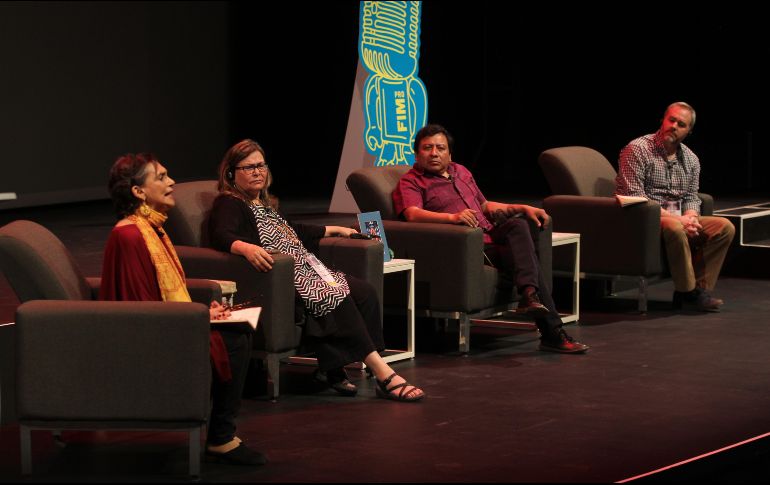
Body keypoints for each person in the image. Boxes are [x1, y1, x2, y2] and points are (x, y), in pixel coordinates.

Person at [208, 139, 425, 402]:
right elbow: (221, 234)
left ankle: (334, 368)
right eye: (248, 167)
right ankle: (384, 374)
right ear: (231, 173)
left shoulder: (263, 203)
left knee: (364, 292)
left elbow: (295, 231)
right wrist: (246, 248)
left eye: (261, 165)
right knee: (334, 295)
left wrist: (336, 230)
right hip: (280, 277)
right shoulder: (230, 203)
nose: (257, 172)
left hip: (307, 268)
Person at [99, 153, 267, 466]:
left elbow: (161, 294)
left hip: (168, 321)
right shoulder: (130, 235)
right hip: (146, 334)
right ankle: (221, 438)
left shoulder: (151, 227)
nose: (172, 182)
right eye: (161, 177)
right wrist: (199, 317)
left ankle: (222, 435)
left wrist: (203, 311)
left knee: (239, 327)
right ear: (138, 191)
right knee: (233, 340)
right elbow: (140, 307)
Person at [393, 124, 588, 354]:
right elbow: (412, 214)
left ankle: (531, 296)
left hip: (491, 233)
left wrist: (522, 207)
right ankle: (550, 328)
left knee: (518, 224)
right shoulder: (411, 181)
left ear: (450, 154)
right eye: (427, 148)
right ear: (417, 154)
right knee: (530, 264)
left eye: (440, 148)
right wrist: (452, 218)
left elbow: (484, 206)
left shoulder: (461, 171)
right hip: (467, 245)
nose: (434, 153)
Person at [615, 102, 735, 311]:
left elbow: (691, 197)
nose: (674, 126)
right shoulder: (637, 149)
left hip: (676, 217)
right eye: (671, 120)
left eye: (681, 124)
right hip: (642, 218)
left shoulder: (691, 159)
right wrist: (680, 220)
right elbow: (636, 197)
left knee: (724, 227)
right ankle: (687, 292)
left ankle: (699, 290)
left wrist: (691, 218)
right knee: (675, 227)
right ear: (662, 120)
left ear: (689, 131)